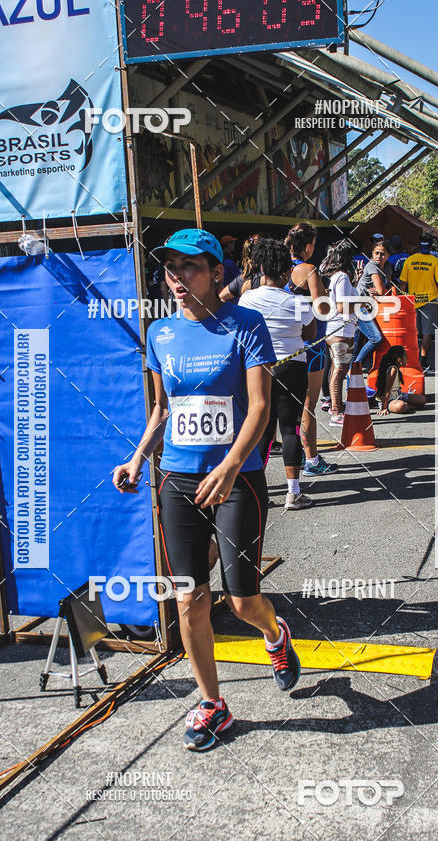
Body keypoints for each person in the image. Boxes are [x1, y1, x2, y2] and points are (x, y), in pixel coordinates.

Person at [113, 228, 301, 752]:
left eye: (189, 266)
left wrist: (232, 465)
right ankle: (213, 705)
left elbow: (261, 408)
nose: (176, 276)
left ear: (217, 272)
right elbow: (162, 410)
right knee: (188, 597)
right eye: (169, 267)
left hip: (237, 478)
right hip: (176, 477)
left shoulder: (245, 324)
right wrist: (136, 458)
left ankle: (275, 635)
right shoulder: (160, 333)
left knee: (242, 602)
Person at [239, 238, 315, 510]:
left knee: (262, 429)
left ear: (260, 268)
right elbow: (310, 333)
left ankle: (257, 493)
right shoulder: (295, 301)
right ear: (286, 273)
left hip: (257, 368)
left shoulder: (247, 299)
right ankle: (293, 493)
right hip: (292, 366)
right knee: (290, 426)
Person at [284, 222, 336, 477]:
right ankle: (312, 460)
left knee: (281, 407)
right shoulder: (309, 270)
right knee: (307, 405)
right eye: (314, 245)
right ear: (307, 246)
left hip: (284, 344)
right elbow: (322, 308)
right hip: (311, 345)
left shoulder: (277, 269)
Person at [320, 239, 360, 426]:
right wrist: (364, 302)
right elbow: (343, 306)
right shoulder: (342, 277)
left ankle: (335, 407)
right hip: (341, 330)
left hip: (335, 330)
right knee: (339, 371)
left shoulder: (337, 277)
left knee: (337, 369)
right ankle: (336, 412)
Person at [399, 234, 438, 373]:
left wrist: (402, 299)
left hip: (412, 300)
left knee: (413, 331)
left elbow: (402, 282)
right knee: (427, 332)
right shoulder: (435, 261)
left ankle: (412, 359)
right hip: (429, 300)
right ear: (431, 246)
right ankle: (423, 360)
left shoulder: (409, 260)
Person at [353, 239, 390, 369]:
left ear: (388, 255)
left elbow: (385, 290)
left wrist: (383, 291)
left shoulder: (387, 267)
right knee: (376, 338)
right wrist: (383, 291)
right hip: (360, 307)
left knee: (358, 344)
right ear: (372, 254)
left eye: (383, 253)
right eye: (376, 253)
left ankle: (354, 372)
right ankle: (356, 366)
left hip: (370, 308)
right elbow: (381, 291)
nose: (379, 256)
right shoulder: (372, 266)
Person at [376, 346, 427, 415]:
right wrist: (383, 408)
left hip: (399, 395)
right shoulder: (393, 370)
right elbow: (387, 391)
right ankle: (408, 406)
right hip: (388, 400)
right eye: (405, 356)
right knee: (401, 406)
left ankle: (408, 406)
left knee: (423, 400)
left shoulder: (396, 368)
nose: (407, 359)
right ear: (399, 360)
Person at [219, 232, 267, 303]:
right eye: (232, 243)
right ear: (228, 244)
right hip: (235, 297)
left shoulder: (220, 260)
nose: (234, 245)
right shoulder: (229, 263)